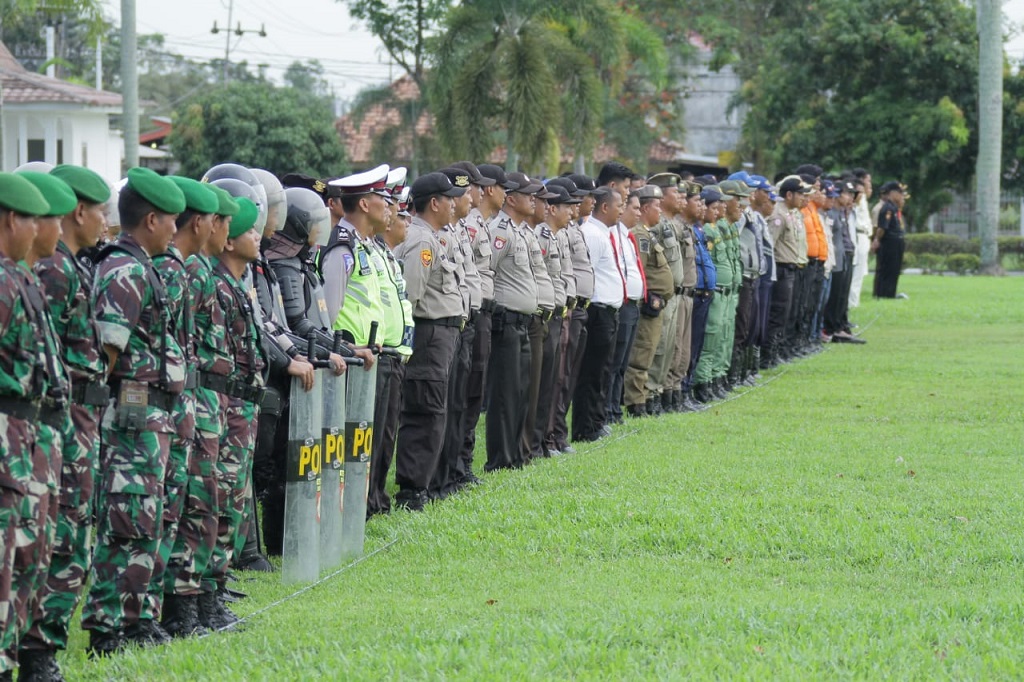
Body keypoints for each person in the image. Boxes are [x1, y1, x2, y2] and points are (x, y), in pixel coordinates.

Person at [82, 168, 187, 655]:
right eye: (170, 221)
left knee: (149, 518)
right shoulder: (124, 270)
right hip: (132, 412)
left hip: (151, 414)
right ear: (150, 220)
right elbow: (106, 351)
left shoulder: (142, 265)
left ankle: (138, 616)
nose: (175, 229)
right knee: (128, 519)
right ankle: (109, 627)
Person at [16, 166, 109, 680]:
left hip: (71, 418)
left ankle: (40, 646)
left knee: (66, 533)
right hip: (51, 421)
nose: (105, 223)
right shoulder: (49, 272)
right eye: (99, 212)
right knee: (51, 536)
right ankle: (35, 650)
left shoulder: (66, 267)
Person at [151, 176, 220, 638]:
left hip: (191, 402)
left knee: (194, 505)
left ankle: (189, 605)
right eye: (218, 220)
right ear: (200, 223)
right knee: (174, 507)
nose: (222, 230)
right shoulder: (178, 272)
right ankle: (175, 609)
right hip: (168, 405)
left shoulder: (189, 269)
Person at [204, 198, 266, 630]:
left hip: (241, 406)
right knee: (216, 501)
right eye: (249, 230)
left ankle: (215, 587)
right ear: (229, 241)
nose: (257, 237)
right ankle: (202, 597)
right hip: (221, 407)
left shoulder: (238, 283)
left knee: (232, 503)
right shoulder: (216, 285)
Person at [392, 172, 467, 510]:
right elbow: (411, 297)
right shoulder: (422, 242)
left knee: (436, 410)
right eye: (449, 198)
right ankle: (412, 490)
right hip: (429, 335)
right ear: (434, 203)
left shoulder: (433, 238)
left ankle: (426, 483)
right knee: (426, 410)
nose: (455, 204)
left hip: (442, 335)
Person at [478, 165, 536, 472]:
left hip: (522, 322)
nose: (534, 201)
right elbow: (488, 269)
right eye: (527, 196)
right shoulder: (500, 231)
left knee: (520, 391)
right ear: (511, 199)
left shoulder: (516, 231)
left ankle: (515, 453)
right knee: (504, 394)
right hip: (506, 320)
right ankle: (501, 459)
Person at [544, 176, 593, 454]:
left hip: (574, 308)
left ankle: (558, 433)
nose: (576, 208)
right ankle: (549, 436)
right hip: (560, 311)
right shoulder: (554, 232)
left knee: (566, 377)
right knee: (556, 377)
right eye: (570, 203)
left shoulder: (571, 229)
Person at [573, 188, 623, 442]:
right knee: (592, 371)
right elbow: (585, 272)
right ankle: (585, 427)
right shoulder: (592, 233)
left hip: (609, 311)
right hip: (597, 311)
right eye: (619, 205)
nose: (621, 210)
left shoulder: (604, 233)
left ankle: (596, 420)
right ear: (605, 207)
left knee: (603, 369)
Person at [624, 185, 672, 416]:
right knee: (641, 354)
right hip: (648, 306)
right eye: (656, 206)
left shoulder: (647, 233)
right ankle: (636, 402)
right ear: (644, 208)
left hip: (657, 304)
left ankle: (641, 397)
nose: (660, 210)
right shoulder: (640, 235)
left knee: (651, 352)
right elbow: (639, 270)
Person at [764, 176, 812, 368]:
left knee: (786, 313)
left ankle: (777, 350)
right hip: (781, 269)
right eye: (800, 194)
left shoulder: (790, 213)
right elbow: (770, 245)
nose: (803, 197)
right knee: (777, 313)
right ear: (789, 194)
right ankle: (768, 355)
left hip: (790, 269)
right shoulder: (779, 215)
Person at [872, 181, 907, 299]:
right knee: (886, 268)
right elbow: (882, 227)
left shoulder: (893, 207)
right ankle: (882, 293)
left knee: (894, 269)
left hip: (896, 241)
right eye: (899, 193)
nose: (901, 196)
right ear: (893, 193)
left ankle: (890, 293)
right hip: (889, 242)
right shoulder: (887, 208)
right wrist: (877, 239)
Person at [848, 169, 873, 308]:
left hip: (864, 235)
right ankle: (852, 303)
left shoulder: (862, 199)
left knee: (859, 273)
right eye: (867, 180)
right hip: (858, 234)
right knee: (855, 274)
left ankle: (853, 302)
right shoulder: (855, 200)